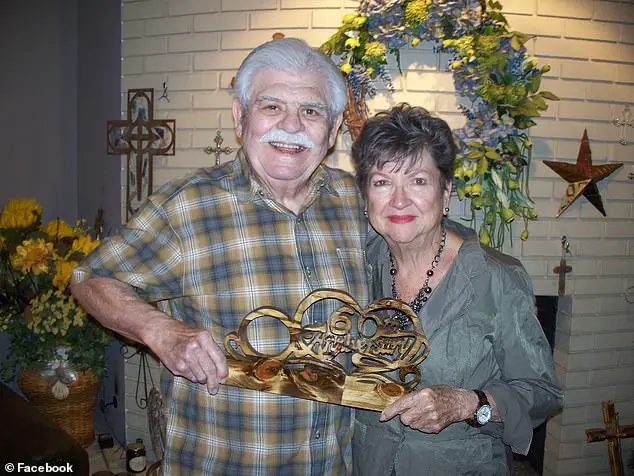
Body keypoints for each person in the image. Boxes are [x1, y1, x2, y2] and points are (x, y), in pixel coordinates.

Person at [71, 38, 369, 475]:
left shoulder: (357, 202)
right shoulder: (187, 205)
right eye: (271, 106)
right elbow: (91, 278)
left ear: (334, 127)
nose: (291, 125)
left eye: (311, 111)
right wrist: (161, 331)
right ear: (239, 116)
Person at [350, 103, 562, 475]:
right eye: (382, 182)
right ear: (367, 196)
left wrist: (469, 404)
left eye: (418, 180)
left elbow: (543, 393)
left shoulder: (497, 277)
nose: (399, 199)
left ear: (445, 192)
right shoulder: (357, 266)